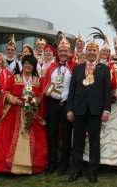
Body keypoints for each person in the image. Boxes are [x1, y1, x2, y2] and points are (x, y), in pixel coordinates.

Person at [0, 55, 48, 174]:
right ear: (22, 65)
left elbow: (40, 97)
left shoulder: (37, 81)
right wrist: (17, 101)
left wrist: (32, 102)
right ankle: (6, 164)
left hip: (31, 113)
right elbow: (6, 94)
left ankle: (29, 165)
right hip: (14, 113)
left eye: (30, 64)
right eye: (26, 63)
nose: (28, 66)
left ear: (34, 67)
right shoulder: (13, 78)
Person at [66, 40, 111, 183]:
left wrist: (106, 110)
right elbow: (72, 90)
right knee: (78, 141)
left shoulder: (104, 69)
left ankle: (92, 171)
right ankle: (77, 170)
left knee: (94, 141)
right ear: (85, 52)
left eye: (94, 51)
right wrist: (69, 109)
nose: (91, 53)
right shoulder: (78, 68)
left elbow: (107, 92)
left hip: (95, 110)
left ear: (98, 54)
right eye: (89, 51)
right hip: (79, 109)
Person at [42, 34, 75, 175]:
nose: (63, 53)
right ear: (58, 53)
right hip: (53, 104)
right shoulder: (52, 67)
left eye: (65, 51)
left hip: (67, 105)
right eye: (60, 51)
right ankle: (52, 163)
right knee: (52, 135)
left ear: (70, 53)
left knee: (67, 136)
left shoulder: (75, 67)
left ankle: (64, 164)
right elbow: (45, 84)